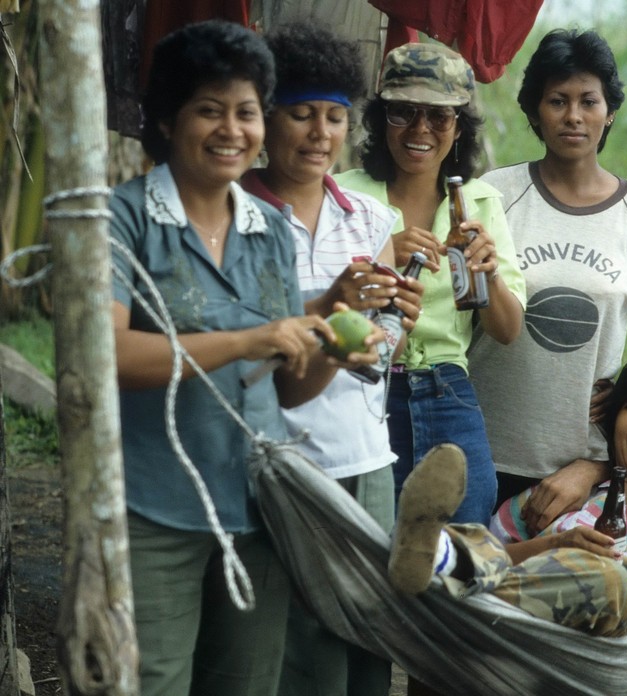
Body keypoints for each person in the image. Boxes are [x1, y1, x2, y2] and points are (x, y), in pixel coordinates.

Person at [109, 21, 380, 696]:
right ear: (168, 120)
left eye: (247, 112)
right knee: (150, 682)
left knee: (246, 685)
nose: (232, 129)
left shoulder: (265, 233)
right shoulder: (125, 217)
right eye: (210, 110)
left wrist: (333, 346)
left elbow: (287, 393)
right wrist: (249, 340)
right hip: (153, 508)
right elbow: (106, 355)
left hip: (258, 512)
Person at [241, 22, 424, 696]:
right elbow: (259, 345)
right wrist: (333, 306)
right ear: (266, 116)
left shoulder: (371, 218)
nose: (320, 134)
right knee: (294, 643)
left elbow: (378, 345)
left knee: (366, 632)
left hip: (365, 456)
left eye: (335, 116)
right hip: (280, 457)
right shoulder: (238, 216)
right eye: (301, 114)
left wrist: (394, 322)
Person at [466, 28, 627, 531]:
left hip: (582, 463)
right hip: (482, 445)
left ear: (610, 111)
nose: (573, 116)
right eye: (557, 101)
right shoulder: (495, 194)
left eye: (588, 101)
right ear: (534, 112)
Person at [388, 356, 627, 639]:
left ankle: (444, 570)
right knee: (473, 541)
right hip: (514, 619)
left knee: (606, 576)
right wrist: (557, 543)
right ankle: (435, 552)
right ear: (614, 424)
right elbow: (495, 551)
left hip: (609, 624)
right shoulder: (567, 488)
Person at [336, 42, 527, 525]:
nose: (421, 130)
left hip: (449, 393)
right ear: (381, 121)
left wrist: (489, 276)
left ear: (459, 128)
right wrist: (384, 253)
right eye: (404, 113)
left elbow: (507, 330)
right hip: (361, 389)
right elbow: (320, 300)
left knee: (463, 539)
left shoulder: (480, 203)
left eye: (439, 118)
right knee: (368, 542)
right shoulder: (346, 194)